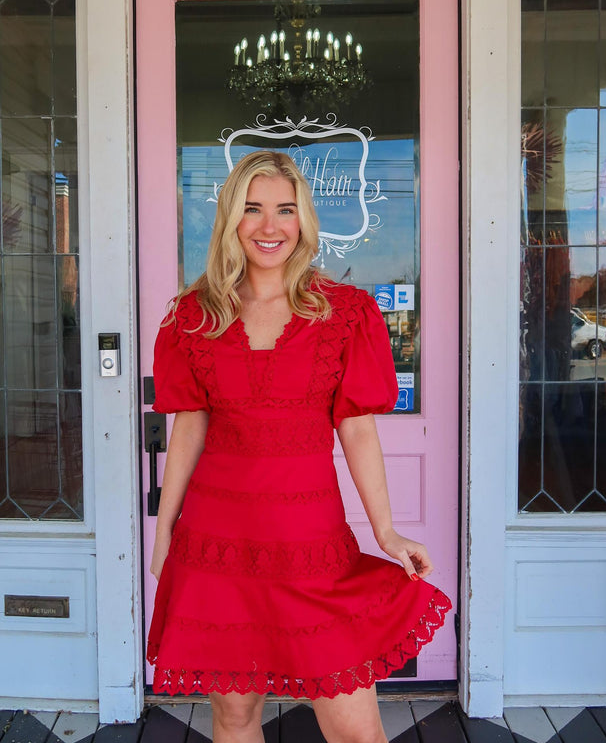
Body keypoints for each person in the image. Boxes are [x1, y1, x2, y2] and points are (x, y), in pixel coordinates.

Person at [148, 150, 451, 743]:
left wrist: (386, 532)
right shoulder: (193, 316)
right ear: (231, 221)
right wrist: (164, 534)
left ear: (303, 221)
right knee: (234, 718)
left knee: (356, 730)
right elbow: (190, 427)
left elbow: (357, 427)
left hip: (312, 548)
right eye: (252, 209)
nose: (269, 227)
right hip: (217, 546)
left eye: (284, 210)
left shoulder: (346, 313)